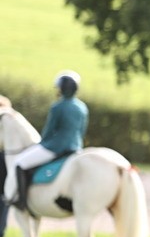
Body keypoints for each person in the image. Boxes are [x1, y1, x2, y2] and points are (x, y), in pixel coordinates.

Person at [4, 71, 89, 212]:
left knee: (19, 162)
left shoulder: (58, 106)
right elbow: (81, 131)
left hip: (55, 147)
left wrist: (41, 143)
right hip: (75, 147)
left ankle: (21, 201)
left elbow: (49, 131)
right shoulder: (82, 107)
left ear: (62, 88)